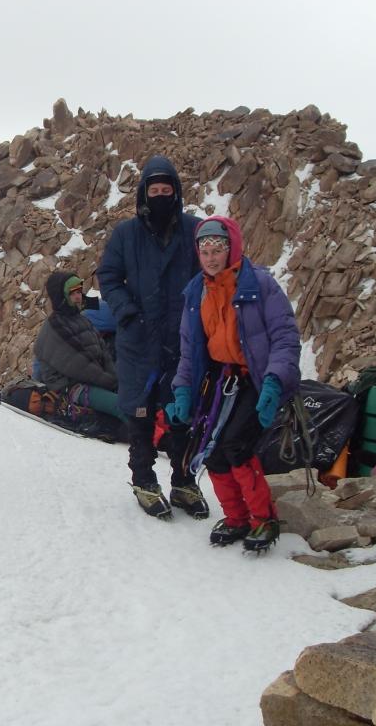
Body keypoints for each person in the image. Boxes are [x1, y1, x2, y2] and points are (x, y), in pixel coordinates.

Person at [165, 215, 301, 552]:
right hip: (221, 380)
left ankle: (263, 518)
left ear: (232, 248)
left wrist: (273, 382)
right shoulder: (197, 292)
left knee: (237, 445)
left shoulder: (259, 284)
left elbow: (285, 337)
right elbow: (189, 349)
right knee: (211, 450)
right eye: (205, 250)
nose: (211, 257)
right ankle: (236, 517)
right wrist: (182, 390)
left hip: (255, 377)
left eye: (218, 249)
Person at [96, 155, 209, 519]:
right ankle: (145, 480)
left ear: (176, 193)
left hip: (182, 342)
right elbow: (108, 276)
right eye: (154, 190)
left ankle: (183, 481)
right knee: (141, 417)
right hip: (139, 341)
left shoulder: (194, 231)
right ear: (144, 193)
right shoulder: (126, 235)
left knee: (182, 416)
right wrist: (126, 311)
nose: (161, 196)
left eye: (167, 190)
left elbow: (210, 274)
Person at [34, 271, 122, 421]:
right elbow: (81, 367)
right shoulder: (55, 327)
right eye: (72, 292)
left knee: (138, 400)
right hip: (70, 389)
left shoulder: (81, 319)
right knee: (123, 406)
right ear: (61, 296)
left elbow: (103, 353)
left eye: (79, 291)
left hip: (94, 381)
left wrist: (116, 379)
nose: (78, 296)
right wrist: (112, 382)